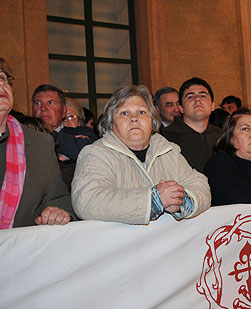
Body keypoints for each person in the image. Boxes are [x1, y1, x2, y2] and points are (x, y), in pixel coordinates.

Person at [72, 85, 210, 224]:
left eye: (142, 112)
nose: (134, 118)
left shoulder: (169, 150)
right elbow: (88, 201)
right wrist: (154, 200)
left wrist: (182, 200)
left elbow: (200, 185)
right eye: (124, 113)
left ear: (152, 120)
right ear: (111, 123)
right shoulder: (96, 154)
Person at [0, 57, 74, 228]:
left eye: (2, 78)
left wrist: (60, 211)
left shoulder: (40, 144)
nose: (1, 84)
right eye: (38, 103)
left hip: (22, 251)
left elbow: (58, 198)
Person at [32, 84, 97, 188]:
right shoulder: (25, 136)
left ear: (63, 112)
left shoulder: (82, 131)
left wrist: (51, 134)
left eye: (50, 103)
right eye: (38, 103)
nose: (43, 108)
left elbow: (91, 154)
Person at [160, 78, 221, 173]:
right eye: (190, 97)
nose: (197, 99)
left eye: (203, 96)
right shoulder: (165, 138)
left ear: (213, 106)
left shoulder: (222, 137)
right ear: (181, 108)